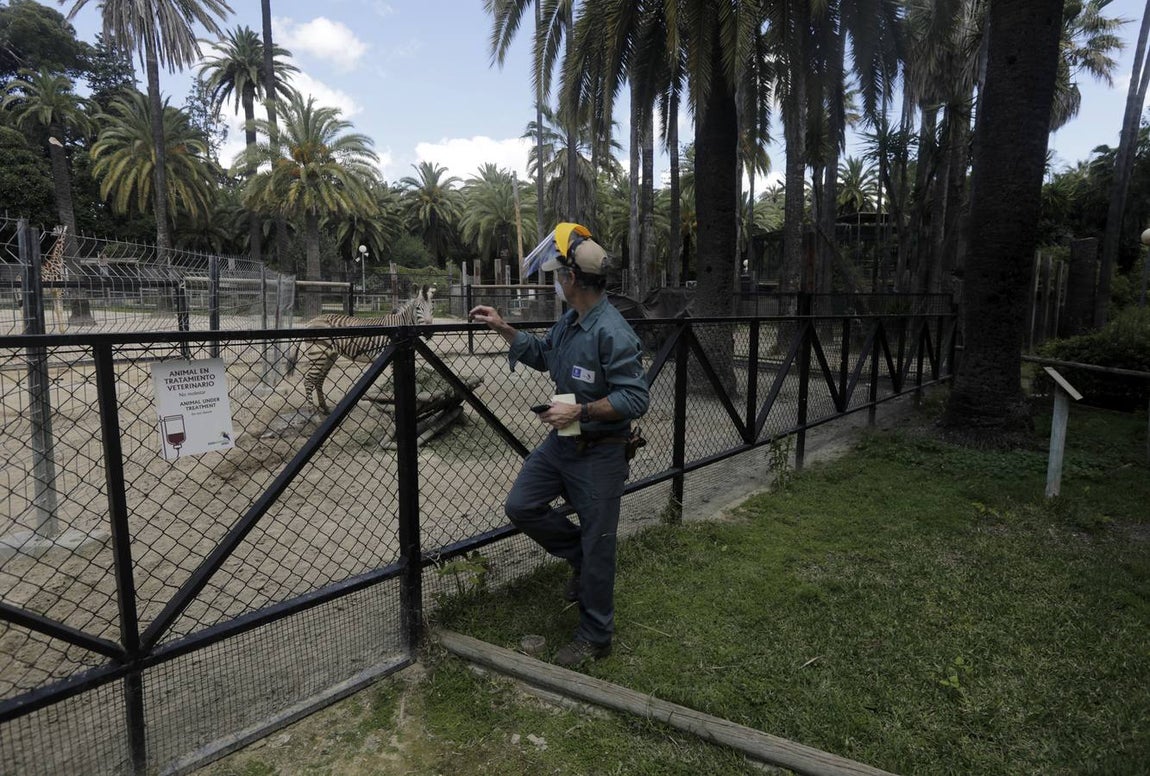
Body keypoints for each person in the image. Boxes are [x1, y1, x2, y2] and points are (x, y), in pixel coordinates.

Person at [469, 223, 649, 668]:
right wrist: (503, 327)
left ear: (571, 280)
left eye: (557, 275)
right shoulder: (572, 320)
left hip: (601, 449)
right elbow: (544, 352)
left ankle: (595, 635)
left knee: (601, 542)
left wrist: (581, 412)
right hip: (562, 441)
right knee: (522, 505)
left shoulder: (613, 332)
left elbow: (635, 398)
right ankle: (580, 557)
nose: (554, 281)